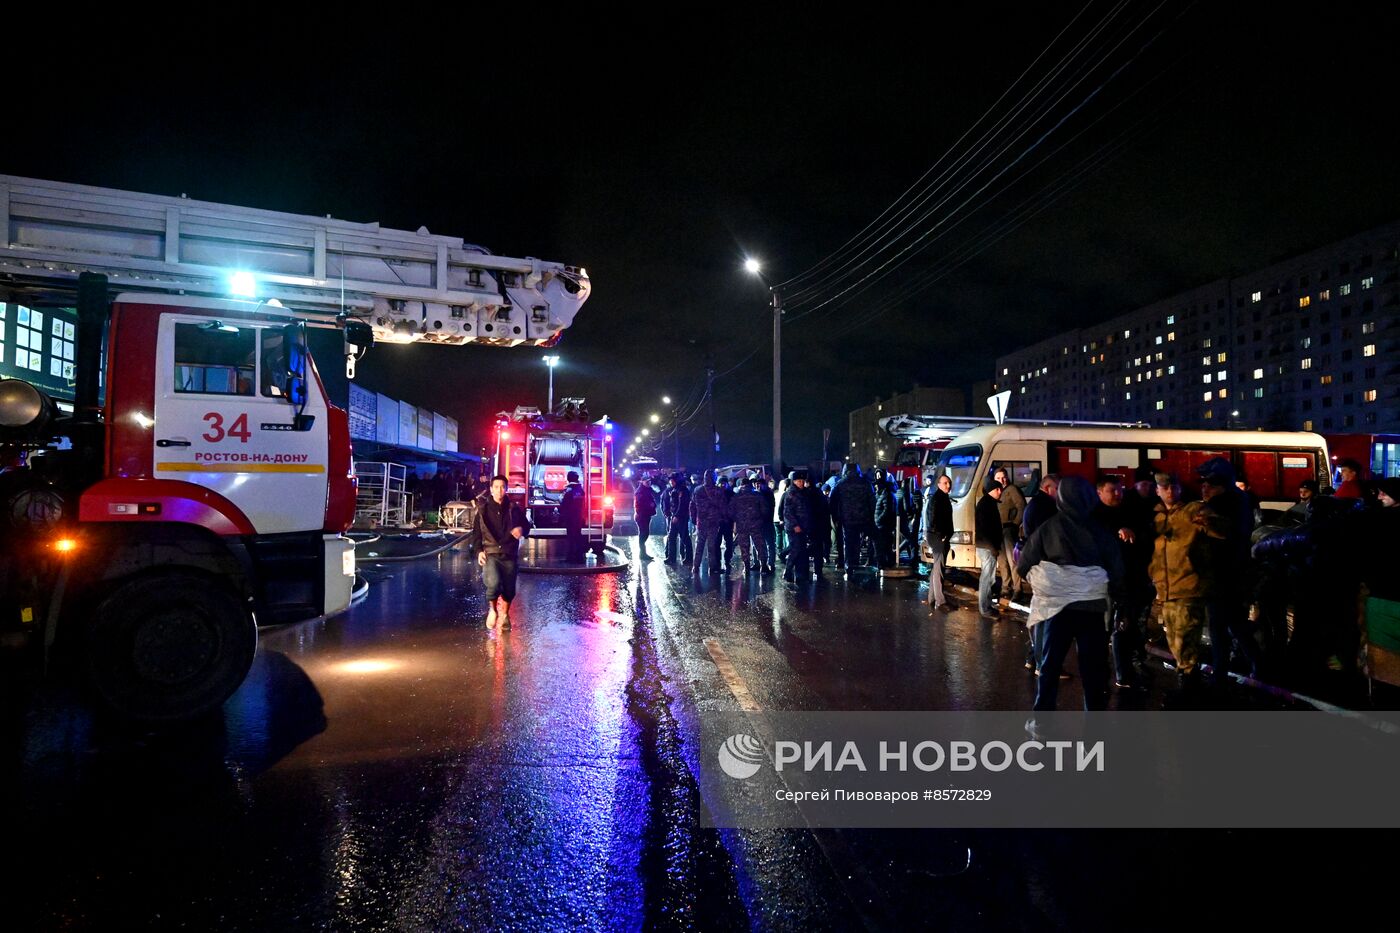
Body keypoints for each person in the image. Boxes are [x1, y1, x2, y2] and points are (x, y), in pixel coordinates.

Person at [1018, 475, 1124, 711]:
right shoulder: (1100, 530)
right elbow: (1116, 571)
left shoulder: (1048, 528)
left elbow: (1024, 564)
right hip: (1093, 609)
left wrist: (1049, 581)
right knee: (1092, 670)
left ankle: (1043, 720)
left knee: (1050, 666)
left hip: (1057, 610)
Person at [1149, 471, 1217, 698]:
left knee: (1185, 640)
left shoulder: (1192, 511)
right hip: (1166, 589)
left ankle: (1189, 689)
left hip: (1188, 586)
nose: (1169, 491)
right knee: (1175, 641)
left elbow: (1221, 529)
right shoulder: (1157, 518)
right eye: (1164, 487)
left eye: (1173, 486)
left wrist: (1210, 521)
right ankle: (1188, 685)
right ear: (1157, 490)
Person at [1198, 462, 1265, 686]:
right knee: (1235, 623)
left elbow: (1219, 536)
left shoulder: (1220, 506)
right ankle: (1257, 664)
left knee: (1219, 627)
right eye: (1204, 484)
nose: (1204, 489)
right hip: (1233, 574)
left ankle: (1220, 673)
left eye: (1210, 485)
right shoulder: (1239, 500)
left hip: (1221, 576)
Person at [474, 475, 528, 629]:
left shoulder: (514, 509)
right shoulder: (482, 510)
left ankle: (505, 615)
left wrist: (521, 529)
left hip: (509, 553)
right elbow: (476, 533)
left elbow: (527, 526)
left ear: (506, 489)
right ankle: (492, 610)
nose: (499, 490)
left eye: (502, 487)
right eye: (496, 487)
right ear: (491, 489)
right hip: (490, 553)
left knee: (509, 588)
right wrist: (479, 551)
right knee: (494, 583)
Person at [830, 464, 876, 580]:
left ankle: (849, 567)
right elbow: (872, 501)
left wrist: (835, 517)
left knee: (849, 543)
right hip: (864, 518)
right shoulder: (865, 483)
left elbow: (833, 501)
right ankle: (872, 563)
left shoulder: (840, 484)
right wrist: (872, 517)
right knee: (869, 541)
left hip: (847, 519)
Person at [994, 466, 1027, 607]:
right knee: (1002, 561)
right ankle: (1005, 587)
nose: (1002, 480)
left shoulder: (1012, 490)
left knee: (1012, 559)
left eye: (1004, 477)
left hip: (1009, 529)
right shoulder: (996, 491)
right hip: (998, 529)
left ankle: (1018, 589)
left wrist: (1015, 523)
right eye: (998, 478)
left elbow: (1022, 506)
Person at [923, 473, 955, 611]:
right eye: (945, 483)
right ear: (939, 484)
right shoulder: (938, 499)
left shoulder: (942, 497)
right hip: (937, 536)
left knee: (937, 567)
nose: (948, 485)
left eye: (949, 482)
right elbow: (933, 519)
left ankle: (932, 598)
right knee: (939, 568)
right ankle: (940, 601)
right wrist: (942, 535)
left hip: (938, 536)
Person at [690, 470, 731, 575]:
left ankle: (695, 567)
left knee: (699, 545)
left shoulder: (697, 490)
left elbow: (692, 505)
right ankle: (712, 568)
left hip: (701, 522)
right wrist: (724, 518)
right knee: (711, 546)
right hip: (713, 522)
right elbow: (723, 507)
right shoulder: (718, 491)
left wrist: (693, 519)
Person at [975, 477, 1004, 617]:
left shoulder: (988, 503)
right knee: (987, 578)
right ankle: (985, 608)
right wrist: (993, 547)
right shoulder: (986, 505)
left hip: (988, 546)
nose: (1000, 491)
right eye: (998, 489)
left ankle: (987, 605)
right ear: (992, 490)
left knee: (989, 578)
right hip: (987, 547)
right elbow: (985, 530)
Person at [731, 474, 771, 573]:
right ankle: (763, 565)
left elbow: (730, 510)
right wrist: (761, 518)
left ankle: (746, 567)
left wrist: (736, 519)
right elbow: (765, 509)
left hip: (742, 525)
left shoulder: (736, 496)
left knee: (744, 546)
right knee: (760, 545)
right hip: (756, 524)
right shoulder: (757, 494)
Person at [782, 471, 815, 583]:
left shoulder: (804, 492)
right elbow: (788, 512)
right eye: (799, 481)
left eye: (802, 481)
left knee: (802, 551)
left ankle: (800, 574)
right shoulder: (791, 493)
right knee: (795, 550)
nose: (801, 483)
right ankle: (787, 571)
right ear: (794, 481)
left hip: (804, 527)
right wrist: (795, 525)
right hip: (794, 528)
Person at [661, 473, 692, 565]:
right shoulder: (674, 489)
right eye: (670, 480)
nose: (671, 482)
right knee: (671, 537)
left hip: (681, 518)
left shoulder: (683, 490)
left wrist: (677, 516)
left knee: (685, 538)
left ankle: (689, 557)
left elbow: (683, 505)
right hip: (673, 516)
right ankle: (671, 557)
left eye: (673, 480)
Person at [1021, 474, 1060, 541]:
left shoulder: (1036, 501)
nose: (1059, 492)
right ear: (1047, 488)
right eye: (1057, 488)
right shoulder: (1045, 505)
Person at [872, 467, 897, 568]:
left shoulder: (886, 495)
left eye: (877, 485)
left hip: (884, 526)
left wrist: (878, 520)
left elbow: (887, 510)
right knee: (881, 547)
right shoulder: (879, 495)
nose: (876, 487)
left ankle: (885, 565)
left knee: (884, 547)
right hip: (880, 526)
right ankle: (882, 564)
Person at [559, 470, 587, 564]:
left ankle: (571, 557)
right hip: (578, 516)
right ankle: (580, 557)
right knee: (578, 536)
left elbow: (563, 503)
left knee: (571, 537)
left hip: (570, 517)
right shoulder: (580, 490)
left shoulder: (568, 490)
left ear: (568, 478)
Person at [634, 474, 658, 560]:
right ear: (642, 482)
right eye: (647, 481)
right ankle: (642, 554)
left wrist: (652, 505)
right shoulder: (640, 491)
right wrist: (650, 505)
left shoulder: (647, 490)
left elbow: (652, 500)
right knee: (644, 533)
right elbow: (640, 503)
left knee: (645, 533)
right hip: (642, 515)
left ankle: (643, 553)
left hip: (645, 515)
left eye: (649, 481)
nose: (649, 483)